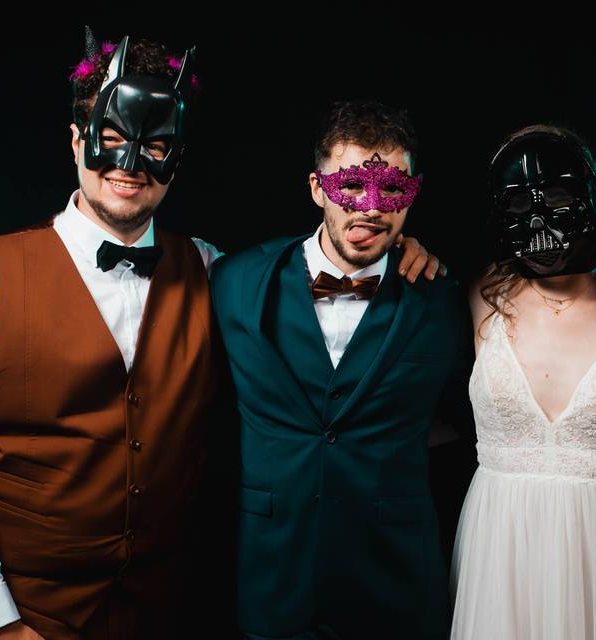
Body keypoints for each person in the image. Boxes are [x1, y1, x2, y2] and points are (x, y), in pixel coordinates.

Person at [0, 34, 439, 640]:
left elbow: (319, 273)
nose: (130, 165)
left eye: (155, 146)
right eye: (110, 142)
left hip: (163, 615)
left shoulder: (218, 273)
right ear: (76, 142)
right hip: (23, 617)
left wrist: (396, 250)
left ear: (177, 158)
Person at [210, 99, 471, 640]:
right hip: (270, 574)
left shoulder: (442, 298)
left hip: (393, 583)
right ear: (315, 187)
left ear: (412, 192)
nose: (370, 208)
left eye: (391, 190)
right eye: (350, 187)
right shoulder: (234, 280)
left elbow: (473, 420)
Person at [449, 125, 596, 639]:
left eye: (555, 195)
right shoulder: (480, 297)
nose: (538, 217)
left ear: (589, 198)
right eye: (518, 205)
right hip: (501, 545)